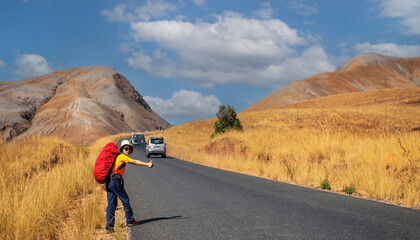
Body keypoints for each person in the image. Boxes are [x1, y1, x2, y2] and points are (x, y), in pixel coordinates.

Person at [105, 139, 154, 232]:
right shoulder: (122, 156)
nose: (128, 151)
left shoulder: (116, 157)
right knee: (125, 200)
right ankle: (130, 220)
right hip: (115, 181)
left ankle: (109, 227)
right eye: (126, 148)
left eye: (129, 149)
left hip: (109, 182)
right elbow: (134, 161)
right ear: (122, 149)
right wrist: (147, 164)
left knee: (111, 204)